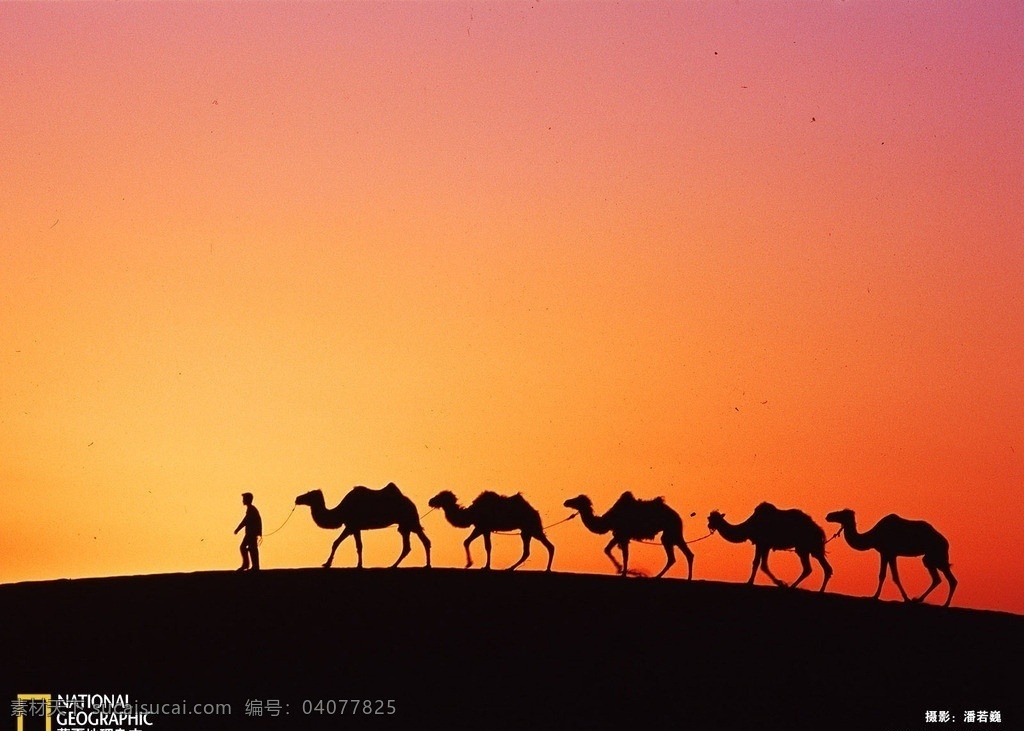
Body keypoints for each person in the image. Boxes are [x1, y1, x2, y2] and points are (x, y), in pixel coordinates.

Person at [234, 492, 262, 571]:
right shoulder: (251, 509)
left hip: (251, 533)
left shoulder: (251, 509)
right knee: (252, 548)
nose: (242, 500)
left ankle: (248, 565)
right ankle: (253, 566)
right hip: (251, 533)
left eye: (244, 499)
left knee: (245, 547)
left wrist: (238, 529)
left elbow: (246, 521)